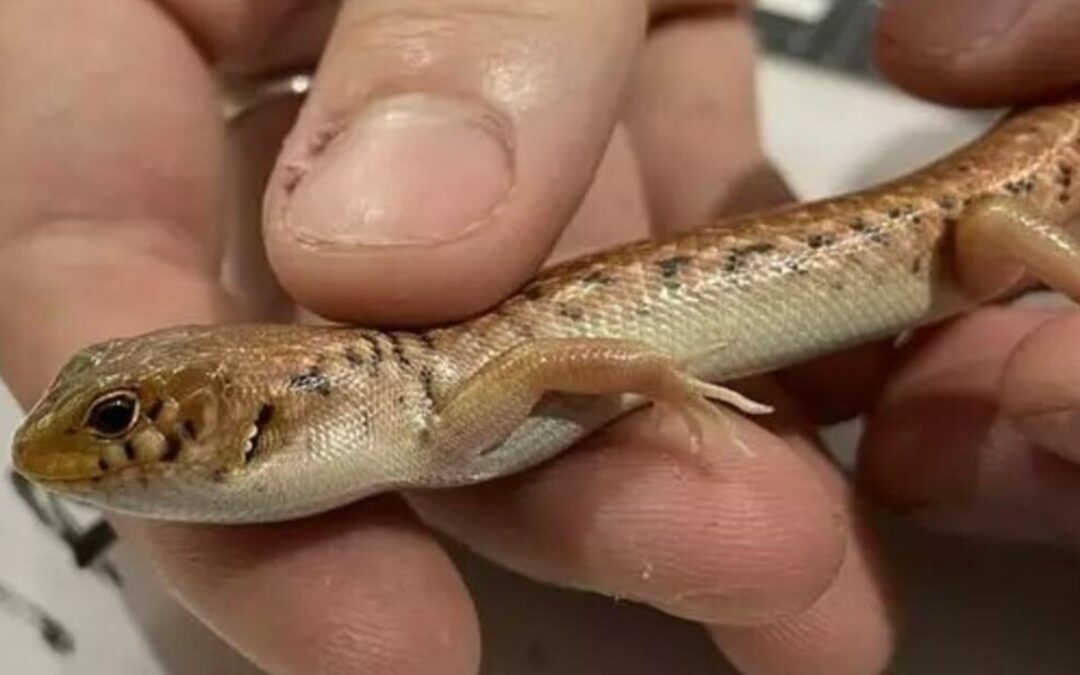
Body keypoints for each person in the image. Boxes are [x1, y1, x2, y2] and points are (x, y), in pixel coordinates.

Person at [1, 0, 1077, 672]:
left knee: (995, 231)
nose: (75, 450)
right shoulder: (397, 418)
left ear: (243, 414)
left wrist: (666, 384)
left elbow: (539, 356)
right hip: (935, 240)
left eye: (118, 420)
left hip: (937, 232)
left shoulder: (434, 410)